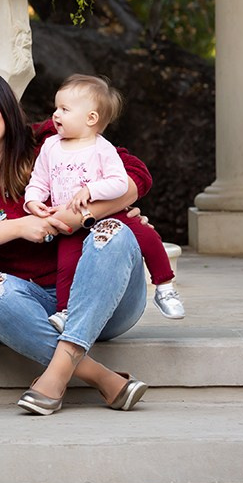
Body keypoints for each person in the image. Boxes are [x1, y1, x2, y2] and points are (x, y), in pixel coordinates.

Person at [0, 67, 150, 416]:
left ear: (8, 109)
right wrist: (20, 226)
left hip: (106, 296)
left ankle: (57, 375)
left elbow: (136, 175)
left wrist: (82, 215)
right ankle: (101, 376)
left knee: (113, 234)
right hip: (39, 305)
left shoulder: (50, 141)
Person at [25, 74, 184, 328]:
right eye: (56, 108)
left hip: (110, 216)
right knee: (66, 267)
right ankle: (66, 310)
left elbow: (120, 182)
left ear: (91, 118)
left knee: (148, 237)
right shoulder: (51, 146)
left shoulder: (102, 148)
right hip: (70, 226)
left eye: (64, 109)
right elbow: (39, 180)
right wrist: (32, 201)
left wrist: (91, 190)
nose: (55, 115)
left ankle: (164, 287)